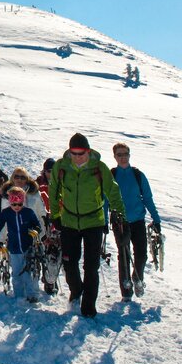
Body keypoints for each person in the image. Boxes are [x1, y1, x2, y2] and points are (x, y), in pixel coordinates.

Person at [48, 132, 125, 318]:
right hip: (69, 220)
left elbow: (112, 190)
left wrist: (119, 213)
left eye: (81, 153)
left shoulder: (98, 167)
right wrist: (55, 215)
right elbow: (54, 191)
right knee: (69, 262)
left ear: (88, 151)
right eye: (74, 153)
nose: (77, 157)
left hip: (93, 221)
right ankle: (76, 290)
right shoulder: (61, 166)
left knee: (91, 266)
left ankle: (89, 305)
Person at [111, 142, 162, 301]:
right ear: (115, 157)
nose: (123, 157)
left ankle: (137, 277)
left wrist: (156, 218)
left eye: (125, 154)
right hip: (120, 222)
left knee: (141, 254)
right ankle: (126, 291)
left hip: (138, 220)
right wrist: (104, 221)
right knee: (124, 255)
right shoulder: (111, 176)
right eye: (120, 155)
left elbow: (147, 198)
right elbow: (105, 200)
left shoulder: (138, 175)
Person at [0, 187, 42, 303]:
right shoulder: (6, 213)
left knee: (29, 272)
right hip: (14, 248)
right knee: (17, 272)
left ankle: (32, 294)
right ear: (10, 202)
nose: (17, 207)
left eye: (19, 204)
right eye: (14, 204)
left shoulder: (28, 212)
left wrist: (35, 231)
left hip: (28, 247)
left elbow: (37, 225)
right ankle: (19, 295)